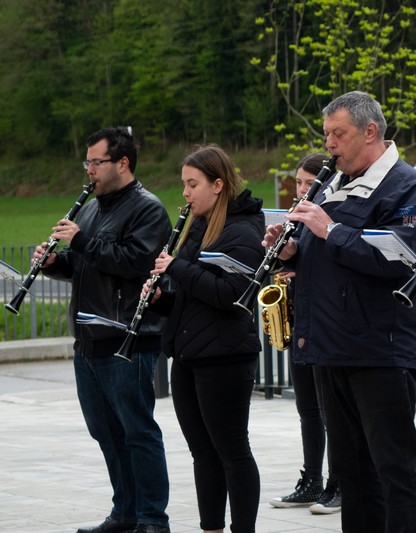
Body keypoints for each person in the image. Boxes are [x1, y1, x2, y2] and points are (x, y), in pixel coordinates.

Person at [264, 90, 416, 532]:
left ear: (370, 132)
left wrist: (331, 230)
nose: (330, 144)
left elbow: (398, 259)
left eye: (338, 134)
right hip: (331, 345)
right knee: (350, 471)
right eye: (327, 134)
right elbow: (327, 257)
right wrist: (291, 252)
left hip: (379, 349)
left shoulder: (405, 186)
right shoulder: (332, 183)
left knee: (394, 469)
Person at [37, 127, 172, 533]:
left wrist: (81, 242)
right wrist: (55, 263)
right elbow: (86, 266)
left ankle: (153, 518)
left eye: (96, 162)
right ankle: (125, 513)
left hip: (127, 338)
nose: (90, 170)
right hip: (89, 339)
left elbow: (135, 263)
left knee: (137, 431)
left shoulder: (148, 209)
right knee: (106, 433)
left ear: (122, 163)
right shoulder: (92, 208)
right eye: (88, 162)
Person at [146, 145, 263, 533]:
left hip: (225, 358)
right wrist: (161, 300)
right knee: (203, 453)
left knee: (233, 452)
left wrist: (176, 268)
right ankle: (210, 527)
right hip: (189, 355)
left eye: (192, 184)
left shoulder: (243, 230)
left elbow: (232, 296)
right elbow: (194, 299)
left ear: (218, 185)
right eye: (184, 184)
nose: (185, 193)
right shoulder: (198, 226)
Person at [270, 153, 341, 514]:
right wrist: (284, 259)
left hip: (326, 326)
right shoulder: (297, 221)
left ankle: (338, 483)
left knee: (331, 412)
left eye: (307, 183)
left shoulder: (333, 217)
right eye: (298, 182)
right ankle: (311, 479)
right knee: (307, 409)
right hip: (302, 322)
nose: (300, 190)